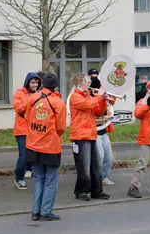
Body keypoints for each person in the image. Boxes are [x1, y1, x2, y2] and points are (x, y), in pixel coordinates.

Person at [26, 73, 66, 221]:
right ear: (56, 86)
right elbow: (61, 127)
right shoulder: (58, 102)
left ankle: (35, 211)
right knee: (51, 181)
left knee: (38, 179)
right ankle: (46, 211)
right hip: (50, 146)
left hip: (33, 145)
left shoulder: (33, 98)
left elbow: (27, 118)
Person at [69, 73, 110, 201]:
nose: (89, 84)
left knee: (96, 165)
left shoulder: (88, 96)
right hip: (80, 136)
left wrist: (103, 100)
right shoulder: (75, 97)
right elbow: (88, 105)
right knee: (84, 167)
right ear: (78, 84)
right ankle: (81, 191)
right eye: (86, 82)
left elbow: (97, 111)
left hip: (91, 134)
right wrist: (99, 96)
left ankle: (96, 191)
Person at [12, 72, 41, 190]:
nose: (35, 85)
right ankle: (19, 177)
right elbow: (18, 108)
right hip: (22, 129)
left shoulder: (39, 93)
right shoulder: (19, 93)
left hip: (35, 129)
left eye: (37, 82)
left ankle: (34, 173)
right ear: (27, 82)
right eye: (33, 82)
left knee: (35, 155)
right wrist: (31, 100)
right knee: (23, 156)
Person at [88, 69, 116, 186]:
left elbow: (111, 103)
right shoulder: (88, 95)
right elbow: (93, 108)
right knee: (99, 156)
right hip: (94, 130)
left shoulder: (103, 92)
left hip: (103, 129)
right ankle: (96, 178)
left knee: (108, 158)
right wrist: (99, 97)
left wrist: (107, 97)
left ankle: (104, 176)